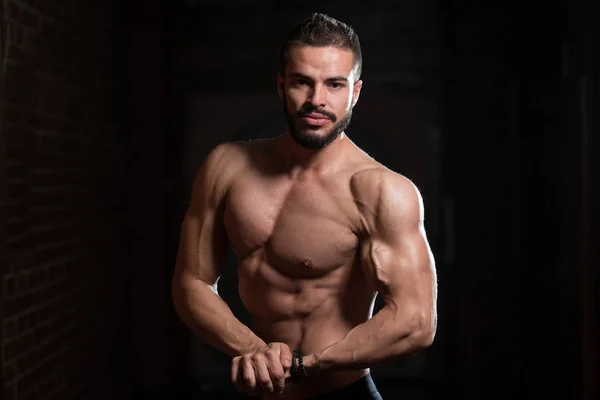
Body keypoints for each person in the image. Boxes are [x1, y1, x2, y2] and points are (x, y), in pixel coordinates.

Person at [172, 12, 438, 400]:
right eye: (302, 82)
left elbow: (416, 322)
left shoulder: (382, 191)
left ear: (355, 92)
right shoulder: (225, 167)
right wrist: (253, 350)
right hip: (258, 389)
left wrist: (308, 364)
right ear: (282, 86)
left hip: (342, 392)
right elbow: (191, 282)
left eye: (334, 85)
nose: (317, 100)